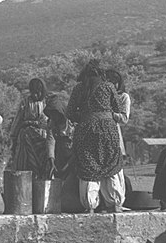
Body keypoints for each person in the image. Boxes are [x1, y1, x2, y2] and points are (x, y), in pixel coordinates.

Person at [67, 60, 125, 213]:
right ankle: (114, 204)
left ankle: (90, 205)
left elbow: (70, 113)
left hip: (85, 131)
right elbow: (119, 109)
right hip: (108, 131)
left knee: (89, 167)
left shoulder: (79, 88)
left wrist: (85, 117)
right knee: (110, 165)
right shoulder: (108, 87)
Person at [10, 78, 50, 178]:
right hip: (26, 137)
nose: (35, 95)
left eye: (38, 93)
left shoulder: (47, 102)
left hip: (43, 138)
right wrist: (13, 138)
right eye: (33, 93)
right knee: (24, 164)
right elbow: (18, 120)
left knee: (43, 164)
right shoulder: (25, 102)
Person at [43, 93, 75, 179]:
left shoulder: (73, 124)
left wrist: (67, 166)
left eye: (54, 113)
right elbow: (50, 141)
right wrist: (52, 161)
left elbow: (78, 148)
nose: (53, 116)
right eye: (51, 114)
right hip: (60, 157)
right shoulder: (52, 124)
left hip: (74, 159)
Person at [105, 69, 130, 158]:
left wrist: (110, 114)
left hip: (114, 133)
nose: (112, 86)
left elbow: (124, 118)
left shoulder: (123, 97)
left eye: (114, 83)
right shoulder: (101, 96)